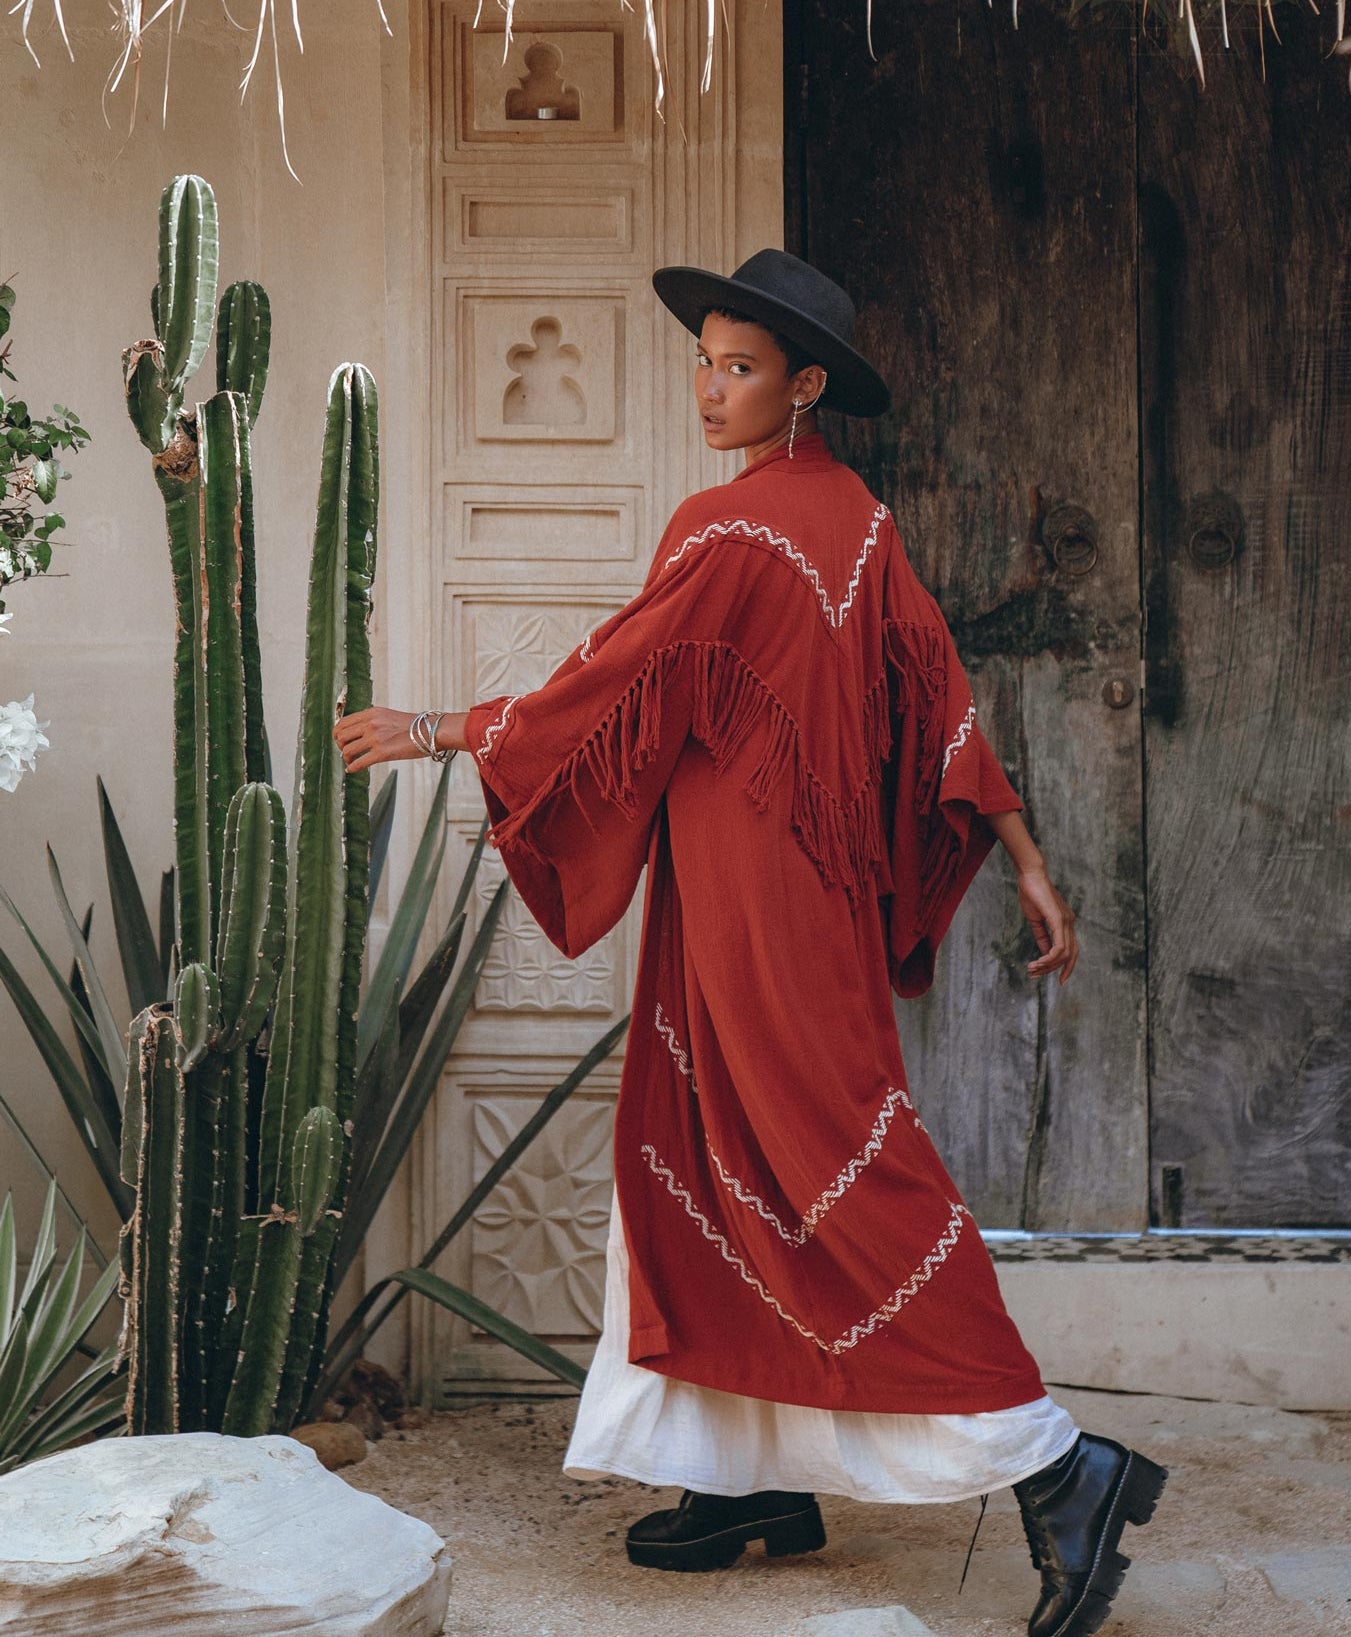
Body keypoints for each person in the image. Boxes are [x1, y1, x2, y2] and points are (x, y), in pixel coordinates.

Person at [333, 248, 1167, 1637]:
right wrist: (1018, 852)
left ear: (806, 384)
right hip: (800, 906)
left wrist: (441, 729)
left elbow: (617, 676)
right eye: (705, 363)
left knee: (839, 1168)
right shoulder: (854, 519)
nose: (711, 390)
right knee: (716, 1164)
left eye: (739, 368)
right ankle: (739, 1479)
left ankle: (1057, 1466)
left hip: (753, 918)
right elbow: (937, 690)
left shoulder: (730, 536)